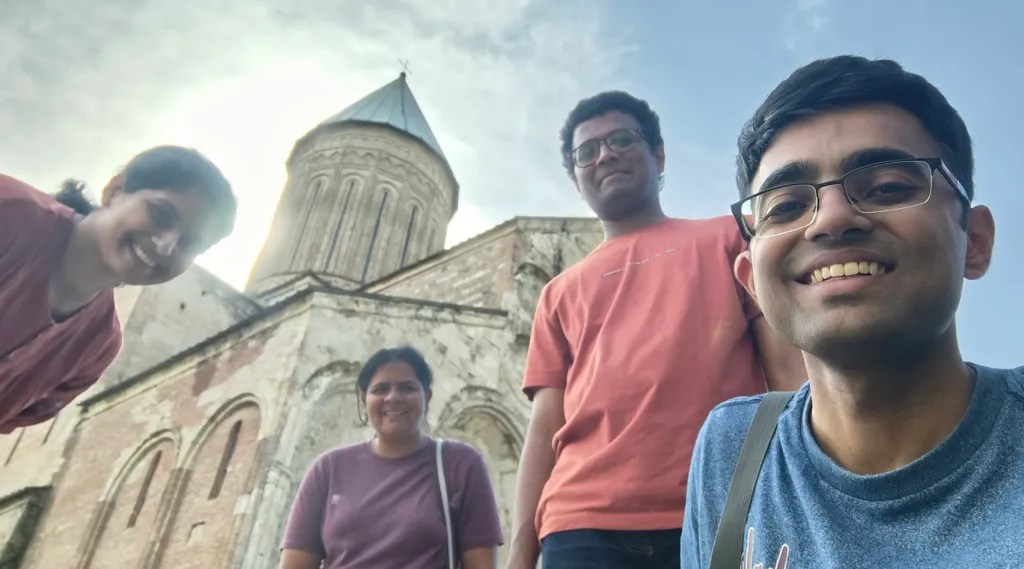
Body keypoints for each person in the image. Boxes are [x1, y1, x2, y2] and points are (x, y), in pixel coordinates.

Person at [682, 55, 1023, 567]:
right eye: (786, 206)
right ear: (752, 283)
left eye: (887, 187)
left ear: (974, 241)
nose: (831, 219)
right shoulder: (731, 450)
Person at [505, 91, 805, 569]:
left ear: (658, 155)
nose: (605, 154)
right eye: (587, 151)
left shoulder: (730, 238)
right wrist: (520, 555)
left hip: (717, 509)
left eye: (622, 139)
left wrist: (810, 493)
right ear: (576, 179)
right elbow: (544, 428)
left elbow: (789, 377)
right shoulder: (557, 293)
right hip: (578, 524)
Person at [0, 146, 236, 433]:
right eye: (161, 215)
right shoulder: (11, 212)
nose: (164, 245)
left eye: (188, 243)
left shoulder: (97, 348)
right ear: (116, 191)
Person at [279, 345, 503, 569]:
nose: (393, 397)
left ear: (427, 396)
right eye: (381, 389)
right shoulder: (328, 469)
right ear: (364, 399)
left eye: (407, 388)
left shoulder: (459, 464)